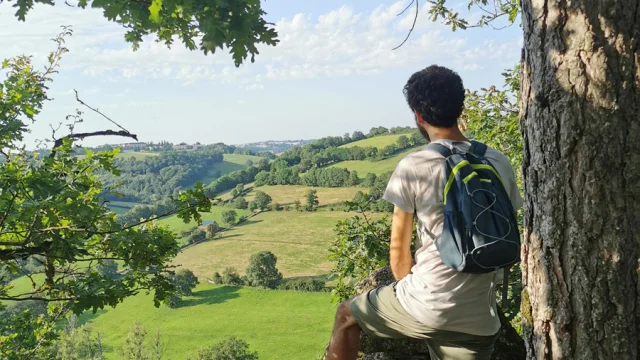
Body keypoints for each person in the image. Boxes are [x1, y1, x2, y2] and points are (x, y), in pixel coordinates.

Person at [326, 65, 523, 360]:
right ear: (461, 107)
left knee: (345, 316)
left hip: (426, 305)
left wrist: (413, 293)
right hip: (479, 320)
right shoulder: (498, 161)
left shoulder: (414, 166)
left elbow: (399, 256)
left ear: (418, 115)